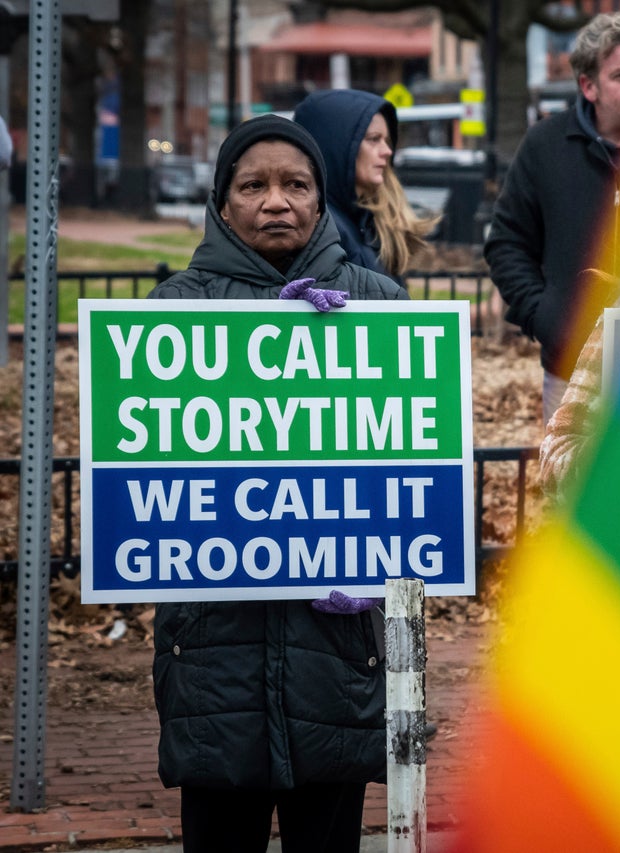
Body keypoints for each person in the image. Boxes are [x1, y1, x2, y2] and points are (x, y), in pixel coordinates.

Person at [147, 114, 407, 853]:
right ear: (222, 203)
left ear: (321, 201)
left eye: (296, 184)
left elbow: (411, 460)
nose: (276, 201)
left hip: (335, 645)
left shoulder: (377, 306)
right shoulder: (176, 310)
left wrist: (376, 562)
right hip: (213, 652)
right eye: (253, 185)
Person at [484, 12, 620, 425]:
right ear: (589, 86)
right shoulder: (546, 145)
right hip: (572, 374)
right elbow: (507, 243)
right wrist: (548, 317)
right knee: (572, 488)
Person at [293, 89, 435, 285]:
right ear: (337, 145)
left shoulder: (361, 222)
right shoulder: (323, 228)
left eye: (387, 141)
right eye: (374, 139)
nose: (387, 151)